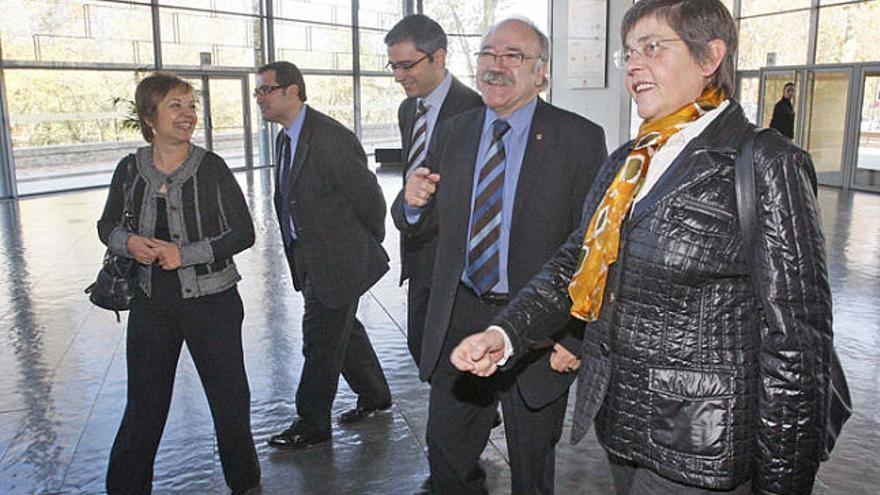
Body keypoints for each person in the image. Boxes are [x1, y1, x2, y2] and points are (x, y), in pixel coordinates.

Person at [452, 1, 835, 494]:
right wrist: (504, 336)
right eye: (629, 52)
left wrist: (784, 485)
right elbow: (575, 263)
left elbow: (797, 347)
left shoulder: (764, 162)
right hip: (625, 428)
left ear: (709, 57)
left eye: (652, 48)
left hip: (700, 445)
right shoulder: (627, 164)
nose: (633, 65)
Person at [402, 18, 607, 494]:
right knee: (448, 456)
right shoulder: (455, 131)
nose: (496, 66)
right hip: (462, 319)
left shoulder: (579, 139)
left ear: (541, 73)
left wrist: (575, 337)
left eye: (513, 56)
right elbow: (420, 214)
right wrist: (410, 203)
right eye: (488, 55)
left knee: (531, 468)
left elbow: (594, 249)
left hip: (538, 329)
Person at [99, 72, 260, 495]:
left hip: (214, 303)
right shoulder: (129, 170)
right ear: (150, 117)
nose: (187, 115)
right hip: (152, 304)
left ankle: (245, 485)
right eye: (176, 105)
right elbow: (106, 226)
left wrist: (183, 253)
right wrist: (129, 242)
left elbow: (243, 233)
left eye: (191, 105)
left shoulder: (211, 168)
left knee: (229, 405)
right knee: (145, 407)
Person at [255, 61, 393, 450]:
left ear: (292, 91)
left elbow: (369, 198)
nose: (260, 99)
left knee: (318, 341)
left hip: (338, 260)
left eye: (266, 90)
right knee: (342, 331)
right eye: (258, 92)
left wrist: (360, 246)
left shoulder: (330, 138)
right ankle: (376, 395)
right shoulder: (286, 138)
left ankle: (312, 422)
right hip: (310, 258)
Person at [386, 14, 483, 366]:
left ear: (438, 57)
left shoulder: (475, 110)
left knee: (454, 362)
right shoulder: (407, 110)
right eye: (393, 66)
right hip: (419, 252)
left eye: (406, 65)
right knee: (422, 348)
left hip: (458, 263)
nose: (398, 76)